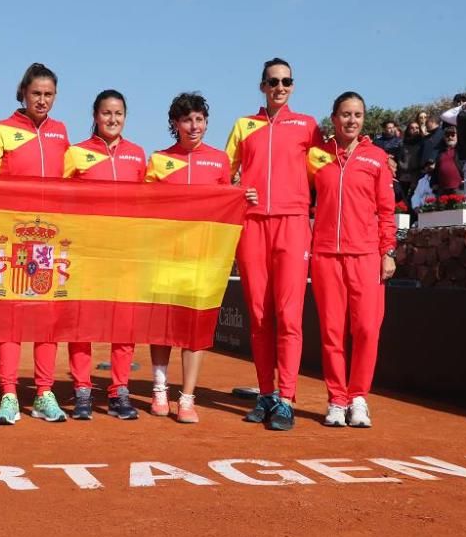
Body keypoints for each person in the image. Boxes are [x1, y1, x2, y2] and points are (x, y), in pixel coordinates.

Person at [224, 57, 322, 431]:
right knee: (260, 316)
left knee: (289, 315)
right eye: (273, 81)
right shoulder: (243, 126)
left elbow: (327, 169)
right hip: (252, 226)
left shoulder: (307, 126)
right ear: (262, 86)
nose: (280, 87)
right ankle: (266, 393)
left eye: (286, 81)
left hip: (293, 223)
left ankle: (286, 398)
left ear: (292, 86)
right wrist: (236, 190)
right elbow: (223, 172)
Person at [0, 63, 70, 425]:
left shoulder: (61, 132)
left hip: (49, 238)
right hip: (13, 237)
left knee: (46, 318)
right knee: (12, 318)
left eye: (48, 95)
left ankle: (45, 393)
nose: (42, 100)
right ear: (23, 93)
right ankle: (9, 395)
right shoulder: (1, 131)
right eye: (36, 94)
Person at [307, 91, 396, 428]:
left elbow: (387, 210)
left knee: (366, 329)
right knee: (331, 331)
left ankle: (358, 398)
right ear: (334, 118)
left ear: (363, 119)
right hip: (327, 254)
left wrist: (387, 252)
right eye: (345, 114)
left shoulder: (376, 158)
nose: (351, 120)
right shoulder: (317, 158)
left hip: (366, 255)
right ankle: (336, 400)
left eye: (357, 114)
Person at [61, 89, 146, 420]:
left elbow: (151, 201)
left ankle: (118, 390)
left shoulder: (138, 155)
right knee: (81, 323)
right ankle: (82, 389)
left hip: (125, 253)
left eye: (119, 113)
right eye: (107, 113)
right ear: (95, 116)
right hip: (87, 252)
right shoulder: (77, 153)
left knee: (124, 325)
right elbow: (59, 196)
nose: (113, 119)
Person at [146, 91, 231, 424]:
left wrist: (243, 196)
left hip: (203, 259)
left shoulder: (219, 160)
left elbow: (228, 204)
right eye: (186, 120)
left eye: (199, 119)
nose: (193, 126)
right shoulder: (158, 160)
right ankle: (159, 389)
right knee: (163, 327)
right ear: (174, 124)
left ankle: (187, 398)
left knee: (195, 329)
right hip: (165, 257)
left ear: (206, 122)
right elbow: (145, 205)